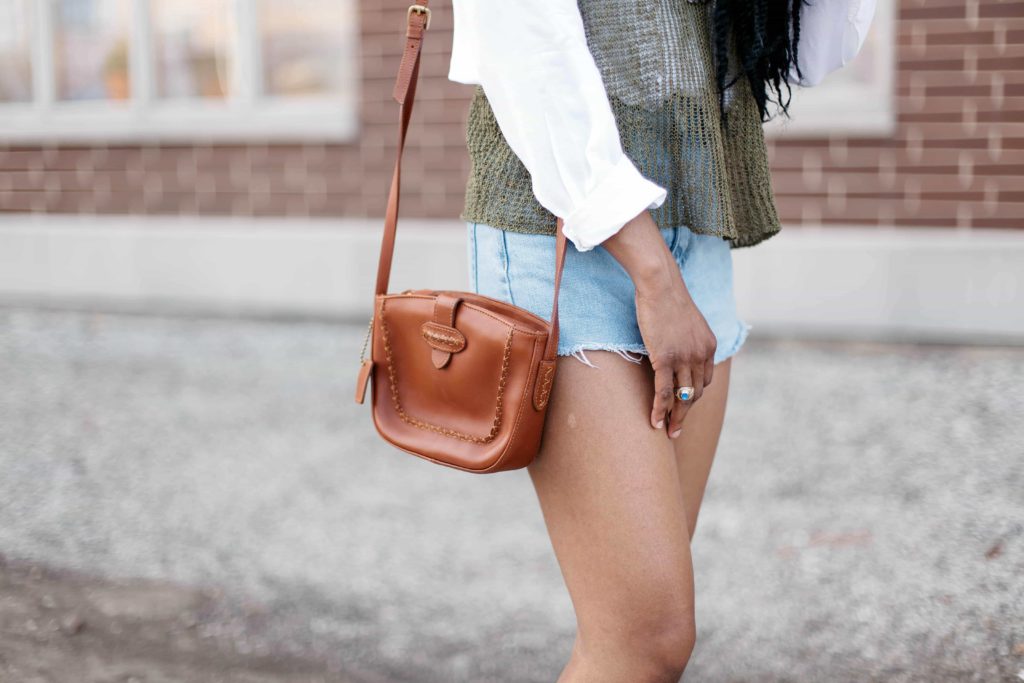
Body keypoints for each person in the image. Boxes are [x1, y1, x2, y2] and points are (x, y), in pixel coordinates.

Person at [448, 1, 875, 679]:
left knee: (633, 630)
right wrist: (654, 276)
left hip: (696, 209)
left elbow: (816, 50)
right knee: (646, 639)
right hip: (564, 221)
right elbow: (527, 51)